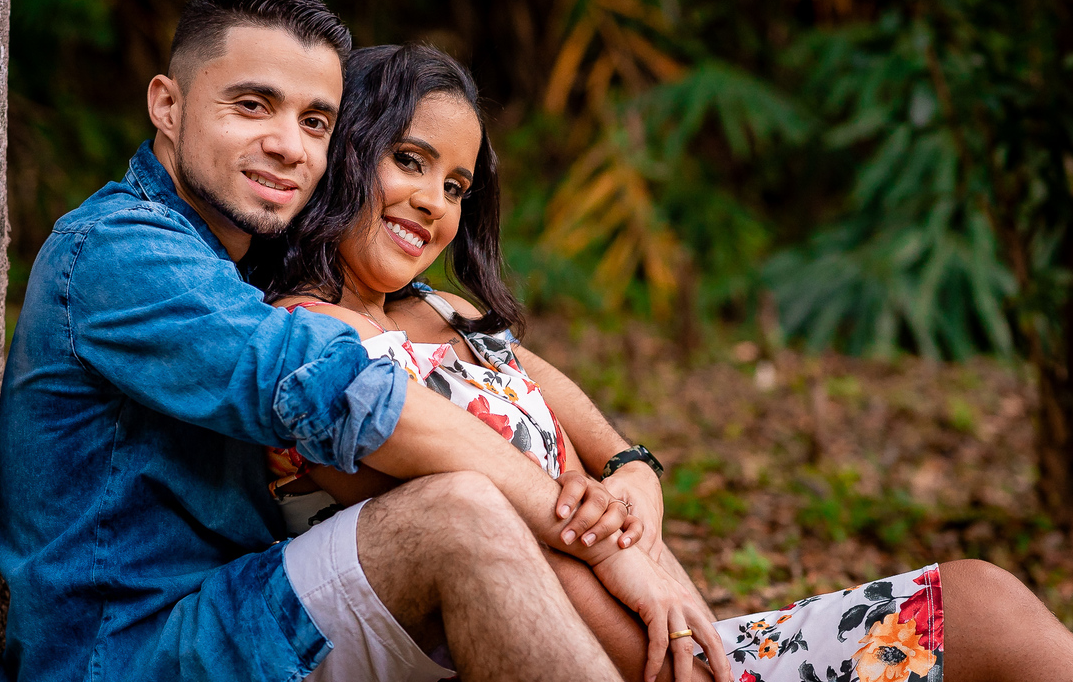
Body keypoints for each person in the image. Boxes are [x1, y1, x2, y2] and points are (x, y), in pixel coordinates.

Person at [0, 0, 720, 682]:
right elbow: (344, 392)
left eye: (314, 122)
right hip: (128, 651)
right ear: (167, 105)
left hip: (239, 607)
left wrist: (629, 470)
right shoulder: (123, 249)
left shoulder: (240, 265)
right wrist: (597, 542)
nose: (289, 145)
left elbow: (510, 371)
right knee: (457, 513)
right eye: (252, 105)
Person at [264, 42, 1073, 682]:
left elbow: (605, 449)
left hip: (670, 623)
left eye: (456, 185)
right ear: (345, 150)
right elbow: (470, 520)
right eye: (410, 160)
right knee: (983, 615)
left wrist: (634, 480)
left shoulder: (448, 312)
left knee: (982, 596)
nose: (434, 201)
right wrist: (619, 552)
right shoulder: (305, 341)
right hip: (579, 644)